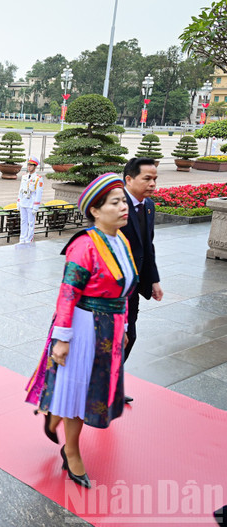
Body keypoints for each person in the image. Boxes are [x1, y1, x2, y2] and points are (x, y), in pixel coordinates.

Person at [26, 173, 137, 489]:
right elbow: (67, 293)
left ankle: (55, 415)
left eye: (124, 201)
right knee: (78, 390)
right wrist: (62, 339)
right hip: (84, 326)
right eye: (115, 202)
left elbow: (124, 291)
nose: (123, 207)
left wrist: (125, 325)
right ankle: (71, 450)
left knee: (94, 388)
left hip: (111, 328)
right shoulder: (84, 245)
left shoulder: (122, 241)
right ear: (95, 211)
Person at [120, 157, 163, 404]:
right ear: (129, 179)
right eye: (147, 178)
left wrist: (154, 280)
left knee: (130, 336)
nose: (153, 184)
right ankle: (98, 385)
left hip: (133, 286)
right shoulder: (115, 204)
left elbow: (148, 246)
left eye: (155, 178)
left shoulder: (148, 206)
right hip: (113, 288)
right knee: (115, 338)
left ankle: (109, 383)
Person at [17, 156, 43, 244]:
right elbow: (20, 190)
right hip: (23, 202)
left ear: (35, 167)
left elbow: (38, 193)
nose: (29, 167)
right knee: (23, 221)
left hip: (31, 203)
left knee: (31, 223)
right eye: (28, 165)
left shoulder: (38, 178)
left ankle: (29, 239)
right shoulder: (24, 176)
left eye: (31, 165)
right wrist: (18, 202)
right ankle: (22, 238)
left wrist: (36, 207)